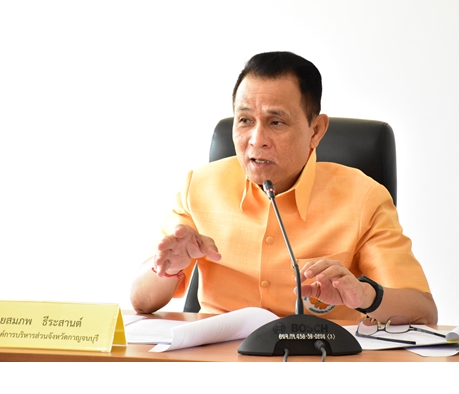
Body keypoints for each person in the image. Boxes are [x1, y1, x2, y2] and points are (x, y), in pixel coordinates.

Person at [130, 51, 438, 324]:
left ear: (315, 130)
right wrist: (166, 268)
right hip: (222, 357)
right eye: (245, 120)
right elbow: (141, 301)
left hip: (318, 359)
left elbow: (423, 311)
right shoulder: (198, 187)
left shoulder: (364, 198)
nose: (256, 140)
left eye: (276, 122)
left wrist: (364, 295)